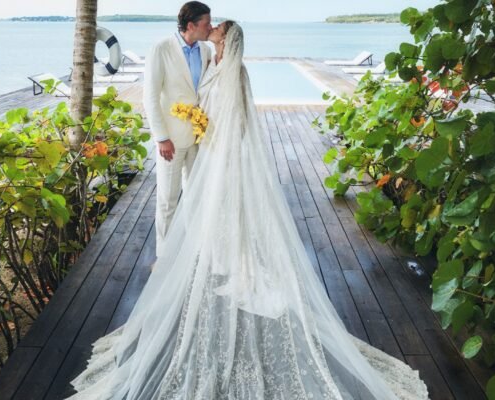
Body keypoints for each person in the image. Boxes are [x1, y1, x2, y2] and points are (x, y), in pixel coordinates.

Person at [66, 21, 430, 400]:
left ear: (225, 38)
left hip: (221, 153)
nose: (212, 29)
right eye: (210, 24)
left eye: (217, 28)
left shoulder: (234, 70)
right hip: (201, 146)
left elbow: (236, 117)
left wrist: (216, 141)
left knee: (223, 207)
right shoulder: (210, 60)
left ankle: (229, 261)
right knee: (192, 205)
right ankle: (205, 257)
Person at [143, 1, 212, 257]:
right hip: (171, 139)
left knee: (196, 197)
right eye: (206, 23)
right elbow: (150, 97)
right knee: (168, 201)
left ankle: (191, 254)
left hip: (198, 137)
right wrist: (161, 138)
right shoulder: (161, 48)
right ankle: (165, 258)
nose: (210, 27)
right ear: (191, 25)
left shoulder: (205, 50)